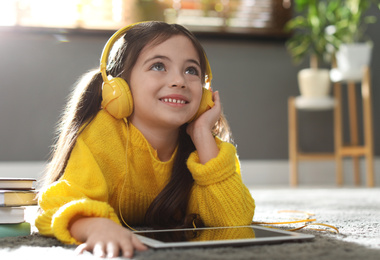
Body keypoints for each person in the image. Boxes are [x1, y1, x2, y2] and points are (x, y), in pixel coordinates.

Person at [35, 21, 255, 258]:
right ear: (119, 87)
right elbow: (58, 204)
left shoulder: (202, 147)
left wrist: (202, 133)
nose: (179, 81)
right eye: (159, 66)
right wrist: (94, 226)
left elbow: (234, 220)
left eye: (191, 70)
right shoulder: (102, 134)